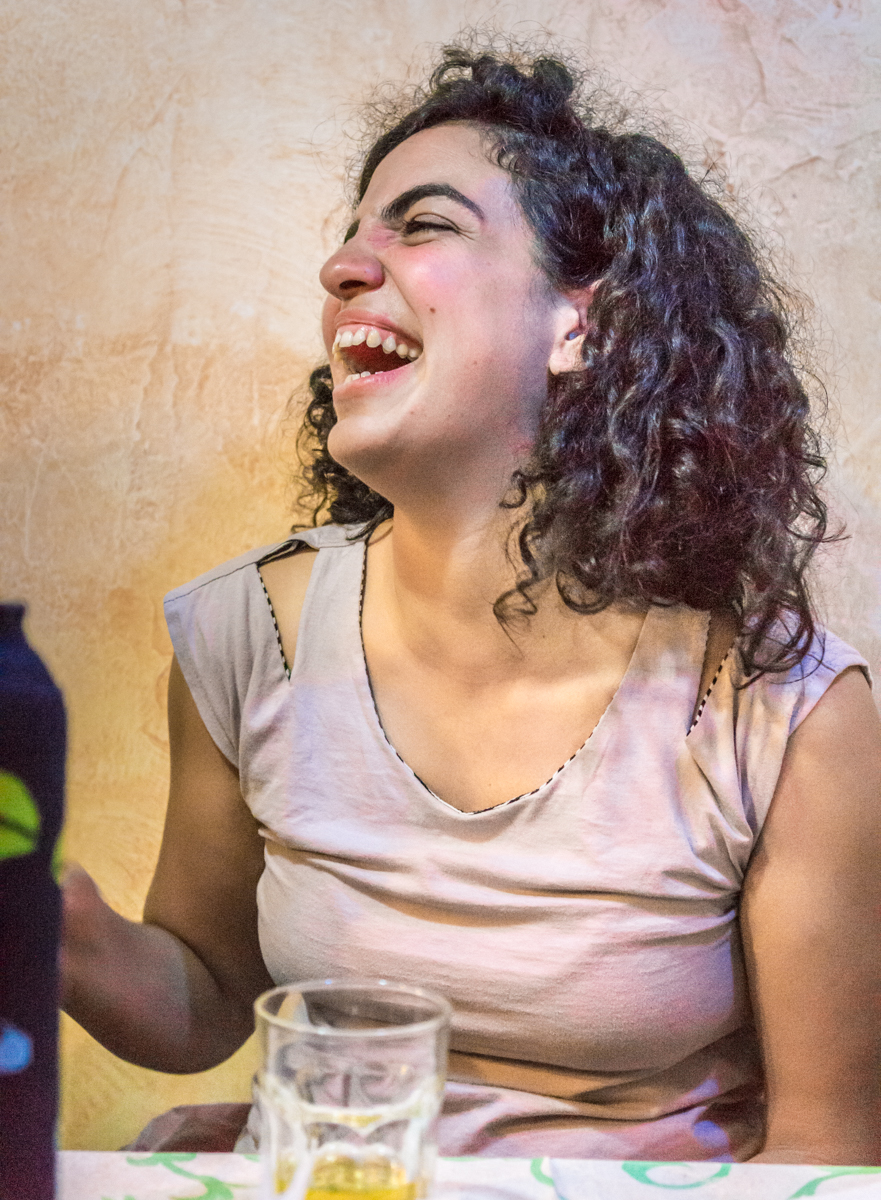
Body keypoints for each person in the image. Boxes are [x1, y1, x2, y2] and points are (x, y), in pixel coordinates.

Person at [62, 43, 881, 1165]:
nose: (344, 265)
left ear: (579, 327)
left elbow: (826, 1154)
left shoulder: (784, 713)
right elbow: (204, 997)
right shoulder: (243, 635)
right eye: (352, 232)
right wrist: (54, 927)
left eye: (423, 224)